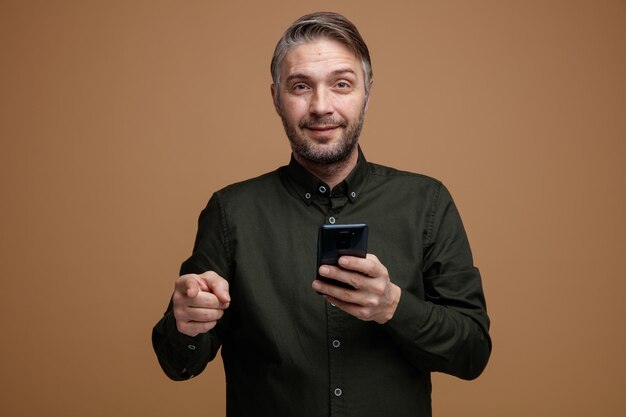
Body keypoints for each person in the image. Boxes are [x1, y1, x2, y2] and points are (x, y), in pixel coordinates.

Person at [152, 11, 491, 417]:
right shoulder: (230, 212)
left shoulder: (427, 203)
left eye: (342, 84)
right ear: (276, 97)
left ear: (367, 92)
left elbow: (472, 353)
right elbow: (180, 363)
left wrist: (392, 307)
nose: (321, 106)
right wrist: (185, 323)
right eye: (300, 87)